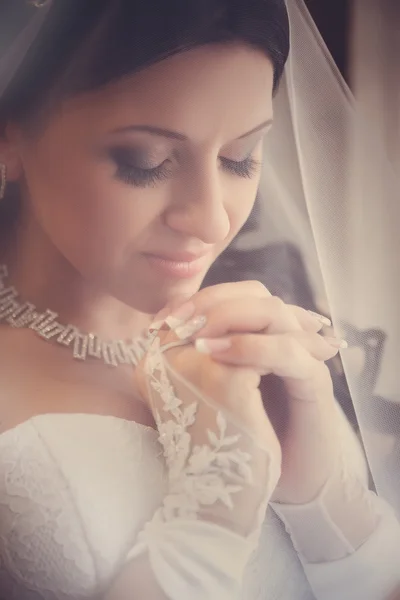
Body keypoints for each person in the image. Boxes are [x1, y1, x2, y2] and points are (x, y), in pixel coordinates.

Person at [0, 1, 399, 599]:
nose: (211, 220)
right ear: (10, 138)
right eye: (145, 163)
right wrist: (218, 498)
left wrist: (324, 499)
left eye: (241, 158)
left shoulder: (255, 334)